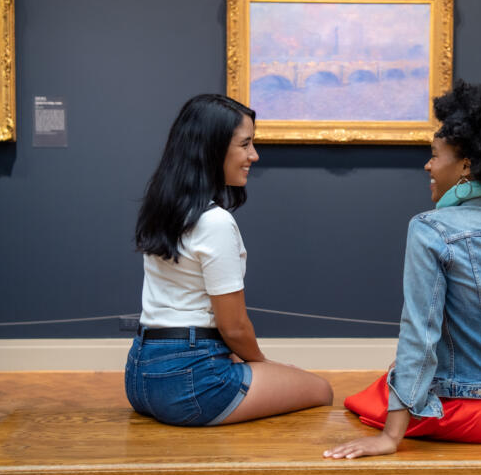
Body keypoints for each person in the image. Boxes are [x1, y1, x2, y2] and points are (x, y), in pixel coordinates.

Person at [325, 81, 481, 458]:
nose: (427, 165)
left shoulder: (430, 227)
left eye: (435, 155)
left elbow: (419, 332)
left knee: (368, 397)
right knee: (403, 374)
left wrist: (391, 437)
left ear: (466, 166)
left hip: (476, 413)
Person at [125, 93, 333, 426]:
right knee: (322, 390)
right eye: (245, 144)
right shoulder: (215, 222)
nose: (254, 155)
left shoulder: (164, 208)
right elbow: (233, 327)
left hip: (139, 375)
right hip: (191, 383)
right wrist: (264, 364)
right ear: (212, 148)